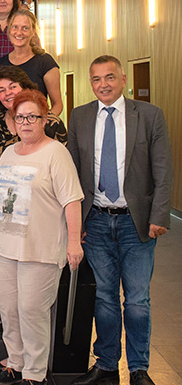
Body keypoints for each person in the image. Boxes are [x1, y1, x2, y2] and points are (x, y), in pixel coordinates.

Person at [68, 55, 173, 385]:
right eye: (96, 79)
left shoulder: (149, 115)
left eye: (110, 77)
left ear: (123, 79)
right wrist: (76, 224)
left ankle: (140, 368)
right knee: (105, 298)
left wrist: (159, 215)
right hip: (96, 221)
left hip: (136, 222)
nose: (104, 85)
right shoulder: (80, 116)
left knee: (138, 300)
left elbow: (163, 169)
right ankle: (107, 363)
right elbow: (73, 172)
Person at [0, 88, 84, 385]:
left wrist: (74, 241)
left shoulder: (56, 153)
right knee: (9, 309)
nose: (25, 123)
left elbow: (72, 201)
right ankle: (17, 363)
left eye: (32, 117)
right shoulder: (9, 152)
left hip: (41, 248)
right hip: (8, 246)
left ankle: (36, 375)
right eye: (19, 117)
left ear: (44, 119)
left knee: (32, 311)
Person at [0, 65, 67, 341]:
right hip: (3, 216)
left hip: (40, 220)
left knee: (31, 302)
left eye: (12, 87)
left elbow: (66, 184)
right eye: (1, 90)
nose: (6, 93)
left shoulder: (50, 125)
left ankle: (32, 363)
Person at [0, 8, 63, 115]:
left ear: (33, 32)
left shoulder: (45, 62)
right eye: (15, 27)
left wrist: (43, 125)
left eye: (25, 28)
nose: (19, 32)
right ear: (9, 30)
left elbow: (57, 104)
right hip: (7, 128)